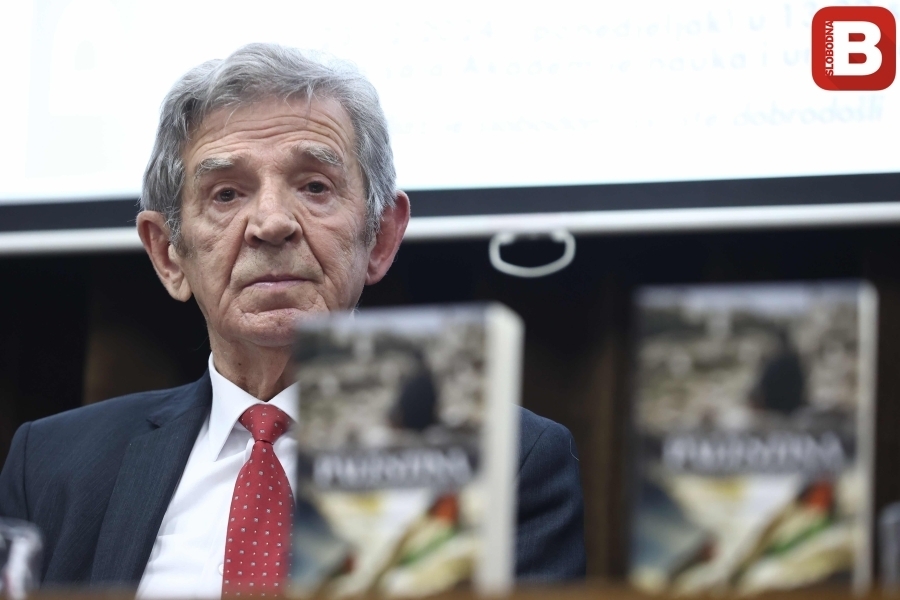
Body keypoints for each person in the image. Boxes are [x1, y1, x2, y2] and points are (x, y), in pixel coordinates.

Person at [0, 43, 585, 595]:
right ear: (168, 254)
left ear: (381, 238)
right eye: (226, 194)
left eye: (314, 186)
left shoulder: (504, 459)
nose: (272, 222)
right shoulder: (51, 462)